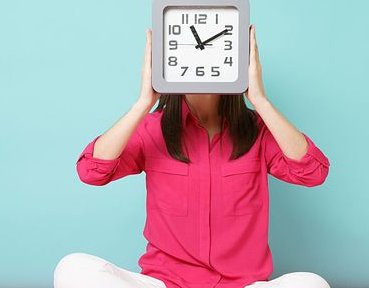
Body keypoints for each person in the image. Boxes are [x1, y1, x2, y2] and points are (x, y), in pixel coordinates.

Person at [54, 25, 331, 288]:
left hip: (242, 284)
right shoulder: (152, 128)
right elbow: (91, 171)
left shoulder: (258, 130)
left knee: (312, 284)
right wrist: (142, 103)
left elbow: (312, 172)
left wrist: (260, 100)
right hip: (166, 283)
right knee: (73, 267)